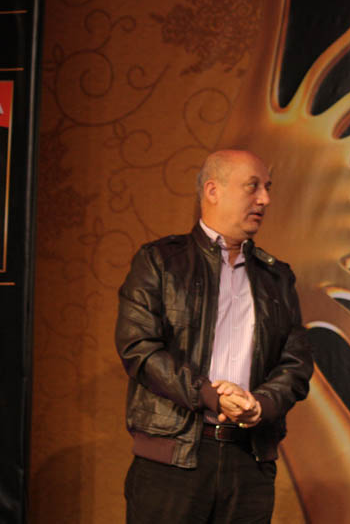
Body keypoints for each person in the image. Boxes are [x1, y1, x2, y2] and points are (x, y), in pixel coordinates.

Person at [115, 149, 314, 523]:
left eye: (267, 188)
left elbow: (297, 362)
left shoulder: (276, 277)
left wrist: (260, 404)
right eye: (252, 186)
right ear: (213, 190)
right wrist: (208, 394)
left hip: (249, 460)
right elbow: (138, 347)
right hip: (173, 460)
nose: (265, 199)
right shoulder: (160, 261)